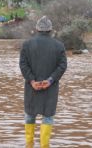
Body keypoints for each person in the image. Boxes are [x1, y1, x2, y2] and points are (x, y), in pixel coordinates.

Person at [19, 16, 67, 148]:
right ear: (50, 30)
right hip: (50, 88)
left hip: (31, 87)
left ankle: (29, 145)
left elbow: (23, 65)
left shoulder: (27, 44)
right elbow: (62, 66)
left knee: (30, 116)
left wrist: (32, 80)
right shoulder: (59, 45)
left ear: (37, 29)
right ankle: (44, 146)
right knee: (48, 117)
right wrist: (50, 80)